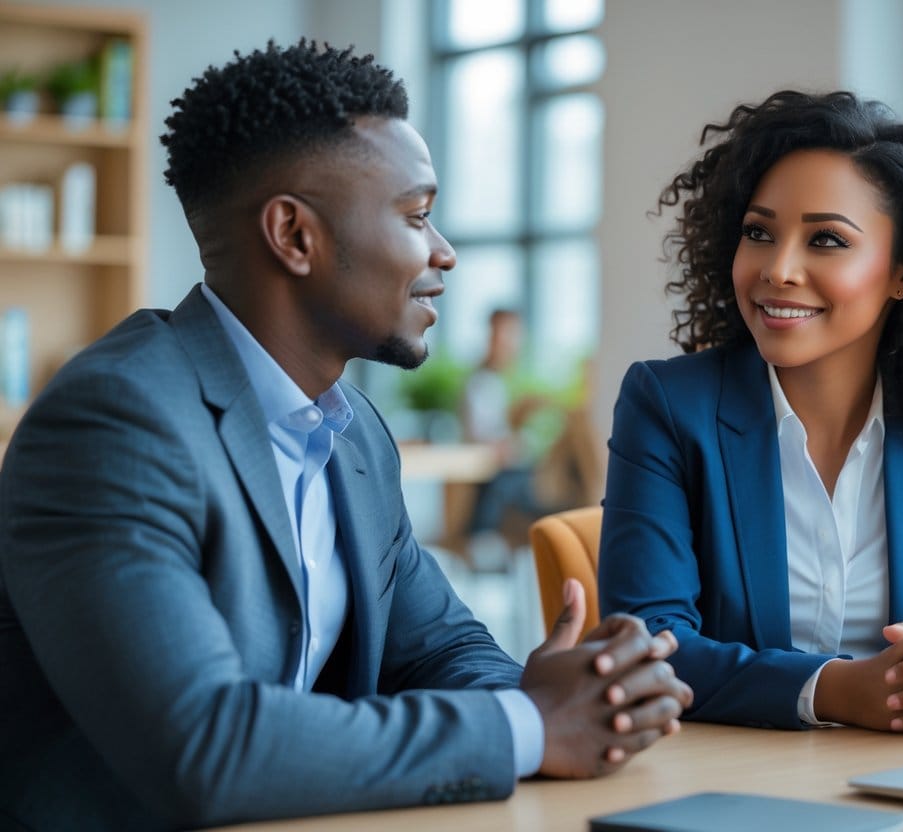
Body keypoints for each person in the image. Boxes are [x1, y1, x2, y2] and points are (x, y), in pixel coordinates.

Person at [0, 40, 691, 831]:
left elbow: (438, 649)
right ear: (294, 235)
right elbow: (203, 747)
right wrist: (530, 726)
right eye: (417, 215)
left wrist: (575, 691)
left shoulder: (352, 432)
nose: (443, 252)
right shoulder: (114, 424)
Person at [598, 90, 903, 734]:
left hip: (898, 772)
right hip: (724, 781)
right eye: (759, 233)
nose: (778, 269)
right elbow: (652, 645)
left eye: (827, 240)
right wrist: (838, 690)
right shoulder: (668, 407)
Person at [460, 308, 551, 543]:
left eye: (515, 336)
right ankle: (479, 539)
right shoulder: (482, 383)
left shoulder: (508, 380)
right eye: (507, 335)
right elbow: (484, 436)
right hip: (499, 470)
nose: (512, 344)